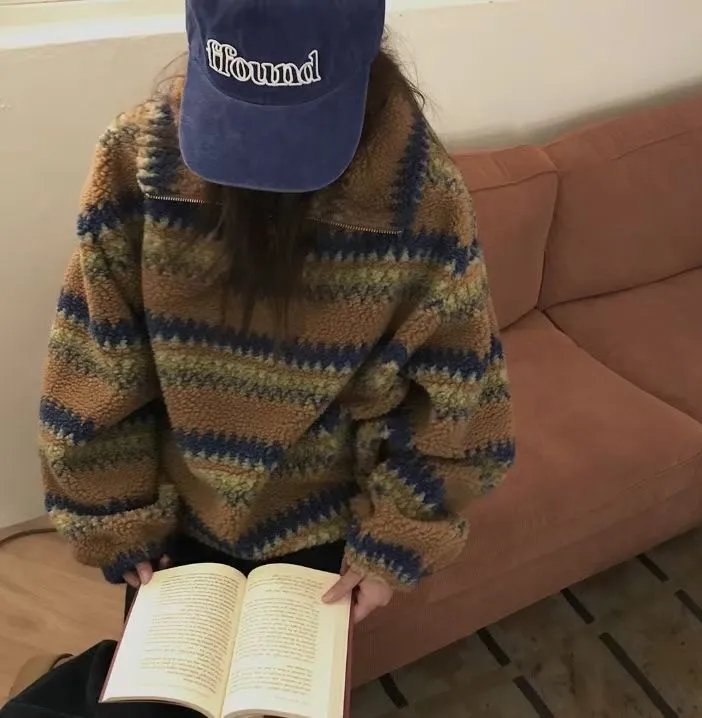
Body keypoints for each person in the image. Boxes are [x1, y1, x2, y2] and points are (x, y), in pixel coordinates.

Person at [38, 0, 515, 629]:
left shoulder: (426, 202)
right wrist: (114, 516)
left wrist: (395, 538)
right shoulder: (136, 165)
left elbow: (458, 401)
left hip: (334, 531)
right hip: (170, 523)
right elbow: (95, 357)